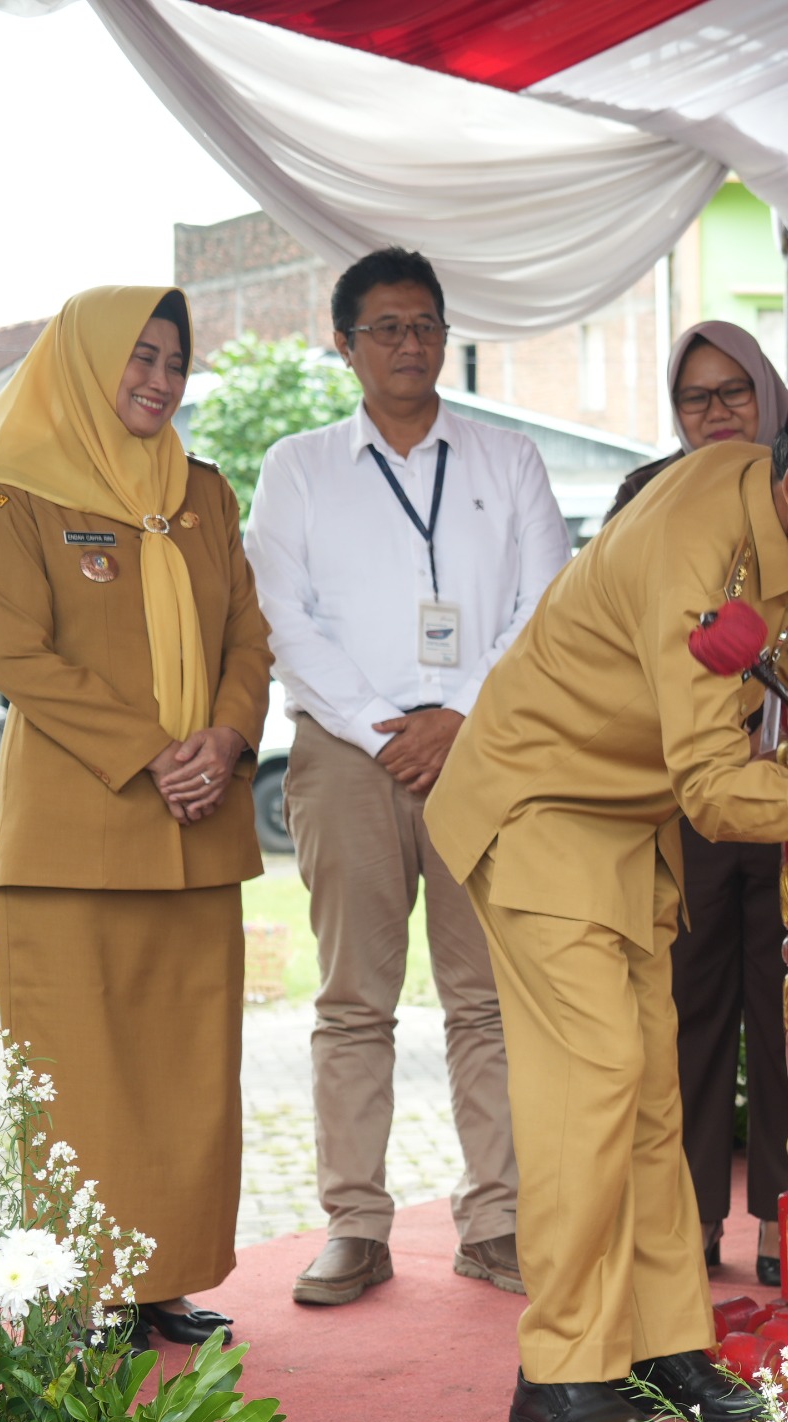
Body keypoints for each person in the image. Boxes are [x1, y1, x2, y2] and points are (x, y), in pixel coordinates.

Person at [425, 357, 788, 1422]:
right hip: (539, 810)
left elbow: (748, 640)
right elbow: (714, 787)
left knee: (649, 1099)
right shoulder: (696, 542)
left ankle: (665, 1339)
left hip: (613, 826)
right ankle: (562, 1366)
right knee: (590, 1096)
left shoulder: (745, 488)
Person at [250, 248, 568, 1309]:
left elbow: (545, 604)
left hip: (483, 749)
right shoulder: (298, 466)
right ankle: (355, 1222)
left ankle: (497, 1221)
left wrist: (457, 713)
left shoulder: (506, 457)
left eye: (425, 324)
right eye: (384, 327)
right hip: (348, 753)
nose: (409, 344)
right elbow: (284, 615)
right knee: (351, 999)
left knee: (487, 999)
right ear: (343, 344)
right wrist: (384, 726)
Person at [0, 286, 274, 1348]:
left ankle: (159, 1282)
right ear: (89, 362)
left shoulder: (205, 494)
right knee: (81, 1075)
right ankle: (79, 1288)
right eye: (139, 357)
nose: (159, 379)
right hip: (84, 835)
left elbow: (247, 641)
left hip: (198, 826)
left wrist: (225, 742)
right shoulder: (14, 496)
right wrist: (153, 754)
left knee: (186, 1073)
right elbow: (17, 657)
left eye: (175, 362)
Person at [603, 322, 788, 1281]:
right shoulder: (645, 496)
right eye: (696, 398)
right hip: (689, 789)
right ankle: (687, 1229)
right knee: (687, 1008)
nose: (717, 413)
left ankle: (782, 1220)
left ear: (768, 393)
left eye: (735, 393)